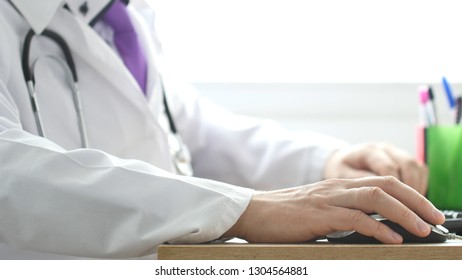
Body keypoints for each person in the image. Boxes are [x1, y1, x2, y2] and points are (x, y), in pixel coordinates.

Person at [0, 0, 443, 259]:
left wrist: (323, 162)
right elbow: (10, 171)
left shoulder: (118, 15)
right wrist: (244, 209)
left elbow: (184, 129)